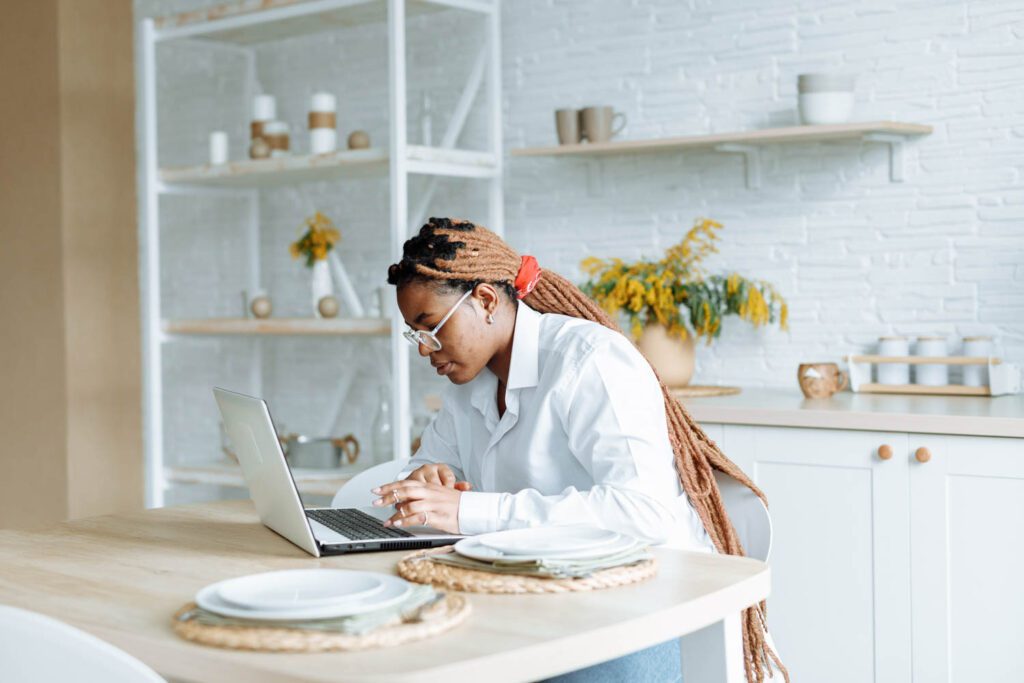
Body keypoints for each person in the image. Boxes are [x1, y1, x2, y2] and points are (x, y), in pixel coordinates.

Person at [371, 218, 786, 683]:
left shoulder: (591, 361)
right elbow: (430, 461)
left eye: (432, 328)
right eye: (415, 335)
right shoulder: (469, 382)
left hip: (641, 612)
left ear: (486, 300)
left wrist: (469, 511)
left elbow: (642, 513)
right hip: (541, 603)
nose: (426, 349)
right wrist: (428, 479)